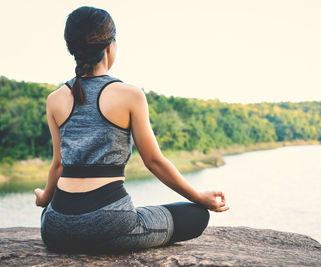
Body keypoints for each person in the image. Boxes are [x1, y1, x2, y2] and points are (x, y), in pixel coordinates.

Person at [34, 6, 229, 254]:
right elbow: (154, 161)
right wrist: (200, 198)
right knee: (196, 215)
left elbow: (58, 166)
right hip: (110, 225)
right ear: (110, 46)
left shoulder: (55, 99)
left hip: (56, 229)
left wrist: (43, 199)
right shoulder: (130, 94)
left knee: (51, 213)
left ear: (72, 48)